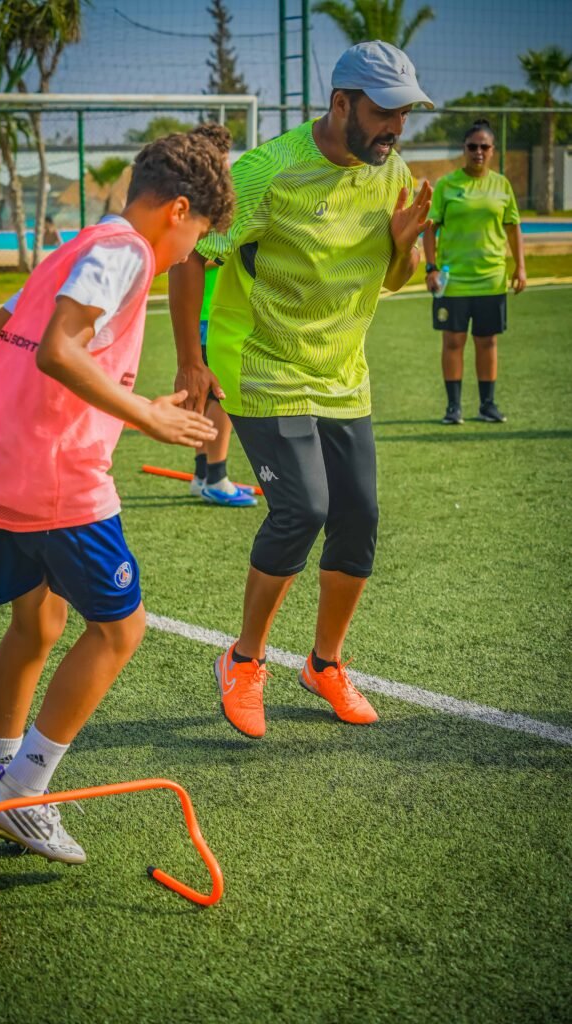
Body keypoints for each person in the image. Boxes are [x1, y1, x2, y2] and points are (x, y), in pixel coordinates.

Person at [0, 132, 234, 863]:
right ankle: (21, 792)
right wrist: (149, 416)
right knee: (118, 630)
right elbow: (59, 351)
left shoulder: (73, 249)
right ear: (176, 210)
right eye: (197, 235)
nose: (189, 252)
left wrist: (112, 397)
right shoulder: (128, 253)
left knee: (36, 628)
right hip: (58, 481)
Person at [169, 41, 433, 739]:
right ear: (341, 102)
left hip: (341, 373)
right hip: (259, 362)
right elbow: (192, 257)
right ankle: (244, 659)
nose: (394, 130)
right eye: (383, 114)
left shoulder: (393, 174)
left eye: (402, 116)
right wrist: (190, 361)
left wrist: (403, 246)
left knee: (359, 516)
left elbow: (392, 281)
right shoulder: (262, 175)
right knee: (302, 508)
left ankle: (323, 664)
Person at [423, 118, 526, 425]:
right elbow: (430, 229)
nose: (478, 151)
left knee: (487, 342)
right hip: (452, 281)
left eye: (484, 146)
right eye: (472, 146)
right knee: (453, 341)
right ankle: (453, 408)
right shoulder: (447, 185)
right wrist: (431, 268)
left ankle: (487, 405)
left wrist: (520, 266)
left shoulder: (502, 185)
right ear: (464, 149)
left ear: (493, 150)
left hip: (491, 279)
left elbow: (513, 227)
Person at [187, 123, 257, 508]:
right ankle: (216, 477)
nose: (228, 167)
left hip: (205, 313)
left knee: (207, 396)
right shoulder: (210, 203)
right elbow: (199, 256)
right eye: (223, 159)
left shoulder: (201, 199)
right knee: (221, 397)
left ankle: (202, 476)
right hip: (212, 314)